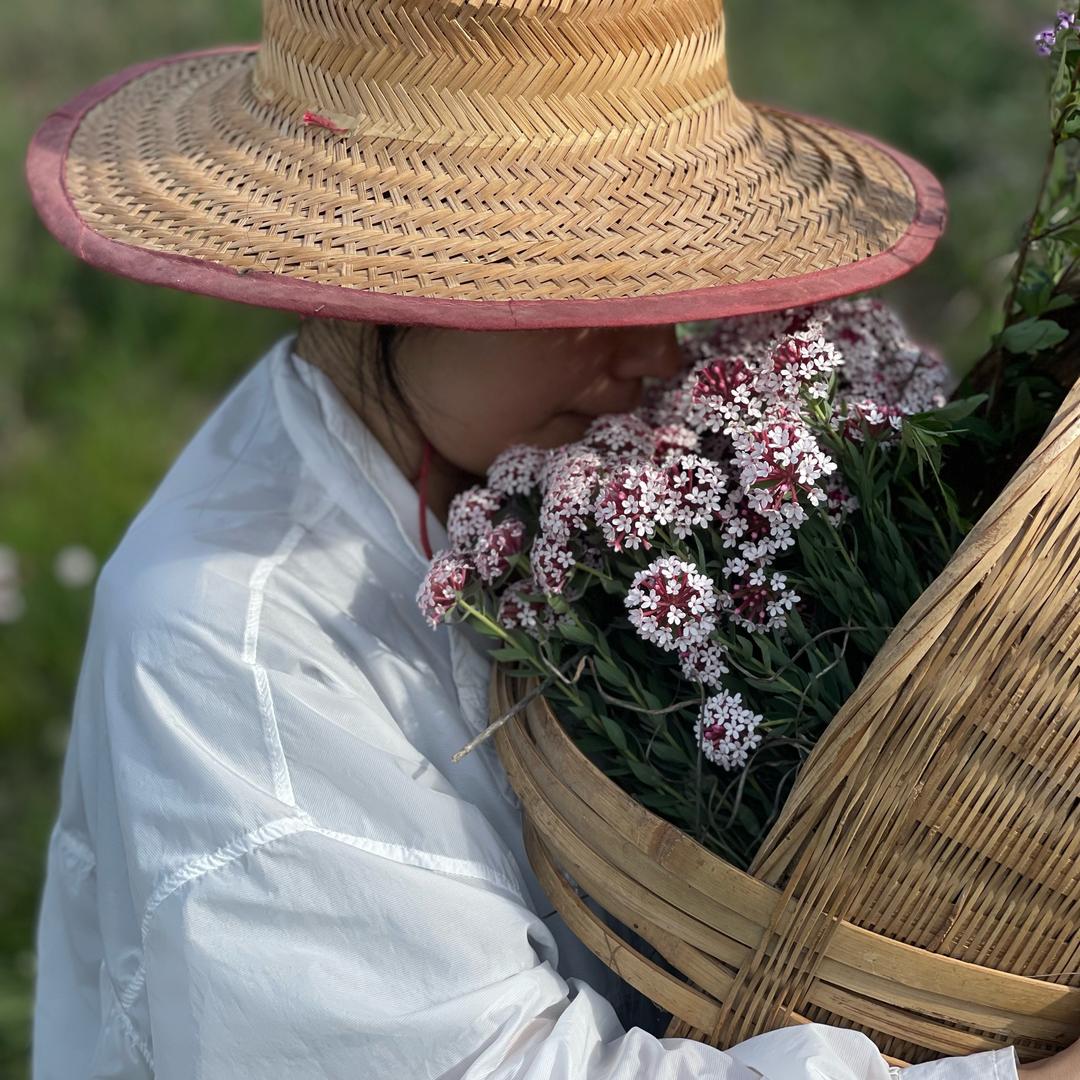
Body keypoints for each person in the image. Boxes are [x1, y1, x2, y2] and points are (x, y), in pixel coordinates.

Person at [24, 1, 1072, 1076]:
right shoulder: (230, 648)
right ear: (373, 278)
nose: (658, 350)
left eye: (673, 272)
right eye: (585, 286)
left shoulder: (488, 452)